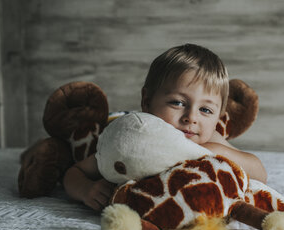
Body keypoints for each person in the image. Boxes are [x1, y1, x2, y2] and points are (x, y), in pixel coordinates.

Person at [63, 44, 267, 212]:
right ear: (147, 100)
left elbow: (260, 173)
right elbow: (75, 172)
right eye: (178, 103)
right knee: (77, 139)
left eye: (205, 109)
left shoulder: (208, 141)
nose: (191, 118)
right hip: (118, 123)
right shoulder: (135, 140)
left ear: (218, 117)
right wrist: (85, 189)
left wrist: (218, 151)